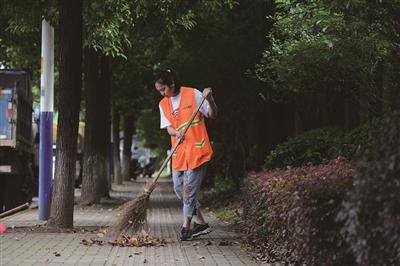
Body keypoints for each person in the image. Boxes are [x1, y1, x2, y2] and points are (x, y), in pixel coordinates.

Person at [154, 69, 218, 241]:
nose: (162, 93)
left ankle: (186, 226)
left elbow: (212, 114)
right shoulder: (163, 104)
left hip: (197, 150)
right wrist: (176, 132)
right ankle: (201, 223)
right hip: (179, 153)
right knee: (178, 187)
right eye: (159, 91)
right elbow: (168, 127)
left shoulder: (193, 94)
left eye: (163, 89)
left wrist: (210, 99)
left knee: (188, 189)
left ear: (172, 84)